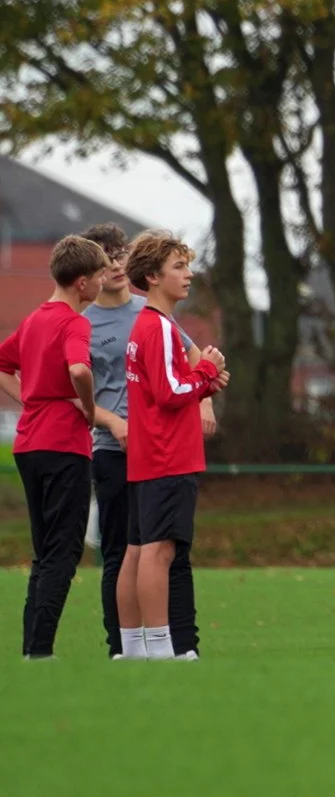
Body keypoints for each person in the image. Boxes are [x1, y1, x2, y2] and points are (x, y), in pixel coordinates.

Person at [80, 224, 195, 658]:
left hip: (154, 446)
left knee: (159, 551)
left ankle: (178, 644)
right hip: (118, 451)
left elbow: (191, 355)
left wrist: (203, 402)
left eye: (119, 253)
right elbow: (77, 393)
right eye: (104, 255)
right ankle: (131, 645)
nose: (114, 262)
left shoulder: (151, 316)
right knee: (131, 551)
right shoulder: (84, 324)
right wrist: (112, 422)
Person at [118, 231, 227, 660]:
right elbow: (170, 392)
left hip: (148, 455)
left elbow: (166, 386)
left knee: (138, 549)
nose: (189, 274)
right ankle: (161, 648)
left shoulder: (146, 326)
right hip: (167, 454)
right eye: (178, 266)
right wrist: (206, 375)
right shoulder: (159, 327)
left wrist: (202, 381)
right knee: (159, 551)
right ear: (152, 276)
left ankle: (133, 646)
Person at [0, 235, 105, 658]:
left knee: (45, 551)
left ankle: (33, 648)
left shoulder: (33, 321)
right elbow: (79, 367)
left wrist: (30, 397)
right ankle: (41, 650)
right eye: (99, 276)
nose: (101, 283)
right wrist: (89, 408)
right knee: (64, 549)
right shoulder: (74, 322)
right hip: (64, 444)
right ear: (82, 282)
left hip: (29, 443)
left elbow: (3, 362)